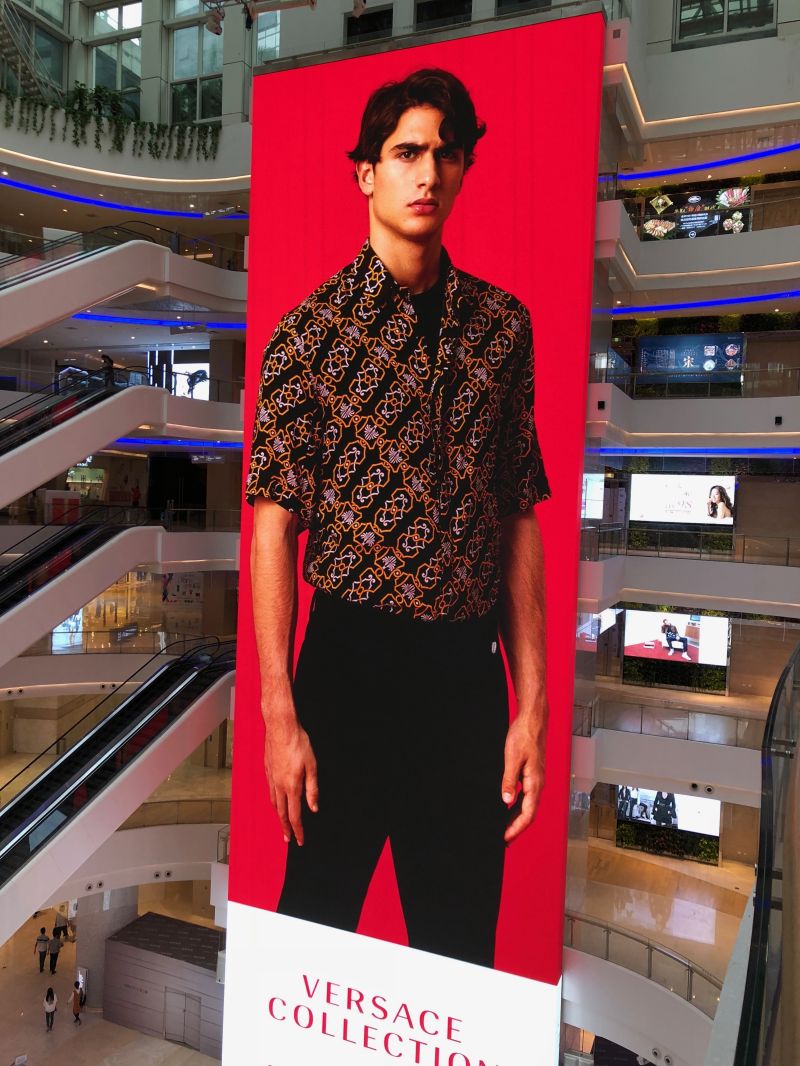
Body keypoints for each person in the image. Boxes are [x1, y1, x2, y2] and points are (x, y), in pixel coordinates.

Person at [247, 68, 551, 969]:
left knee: (462, 959)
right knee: (311, 945)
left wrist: (530, 708)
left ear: (461, 173)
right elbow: (272, 525)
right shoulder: (308, 336)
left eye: (444, 154)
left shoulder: (504, 328)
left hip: (464, 681)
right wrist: (279, 714)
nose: (427, 172)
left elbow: (517, 521)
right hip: (345, 671)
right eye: (406, 152)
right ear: (366, 174)